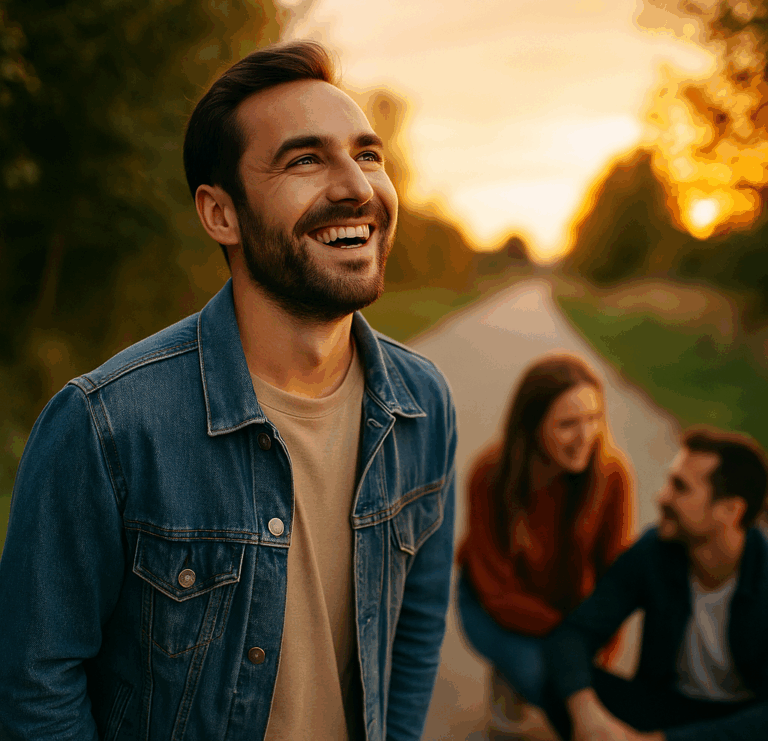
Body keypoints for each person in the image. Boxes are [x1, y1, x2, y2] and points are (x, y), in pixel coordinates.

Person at [0, 41, 457, 741]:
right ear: (221, 215)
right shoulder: (107, 426)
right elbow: (36, 686)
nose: (357, 187)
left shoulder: (423, 405)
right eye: (306, 160)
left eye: (368, 155)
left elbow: (414, 625)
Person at [542, 428, 768, 741]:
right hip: (665, 709)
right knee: (562, 682)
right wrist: (587, 714)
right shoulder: (655, 552)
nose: (662, 497)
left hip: (739, 723)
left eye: (680, 488)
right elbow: (575, 633)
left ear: (730, 510)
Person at [457, 354, 635, 737]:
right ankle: (511, 680)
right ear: (533, 426)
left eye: (594, 418)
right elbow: (497, 591)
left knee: (588, 689)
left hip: (563, 606)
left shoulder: (613, 474)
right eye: (568, 424)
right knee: (545, 679)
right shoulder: (489, 474)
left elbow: (617, 578)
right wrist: (569, 642)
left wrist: (595, 650)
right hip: (488, 603)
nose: (586, 436)